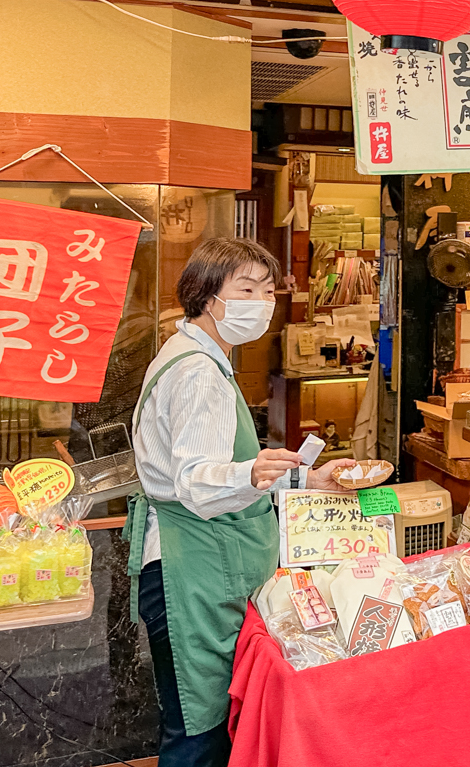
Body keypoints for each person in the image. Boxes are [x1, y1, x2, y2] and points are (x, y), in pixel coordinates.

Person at [128, 238, 354, 767]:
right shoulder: (198, 373)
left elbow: (220, 470)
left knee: (205, 723)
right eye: (246, 289)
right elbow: (196, 479)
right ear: (208, 296)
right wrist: (252, 470)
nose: (261, 302)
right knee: (197, 728)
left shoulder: (196, 353)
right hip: (193, 570)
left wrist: (305, 480)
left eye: (268, 291)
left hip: (203, 560)